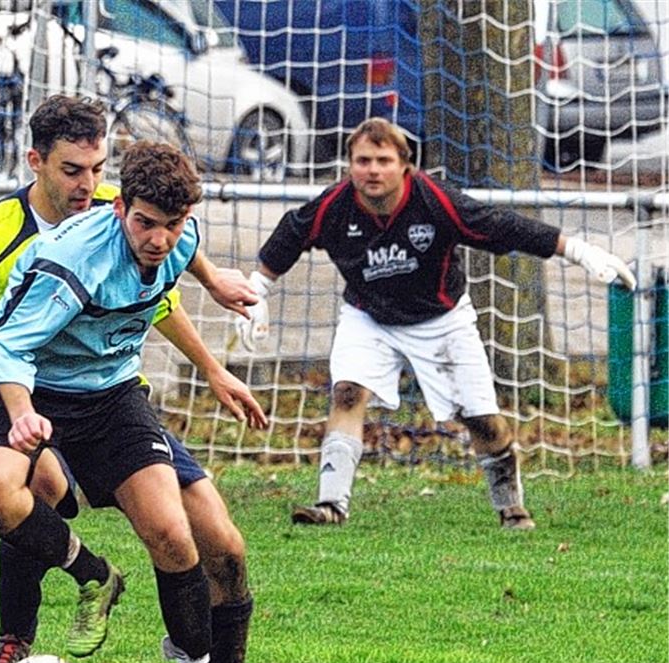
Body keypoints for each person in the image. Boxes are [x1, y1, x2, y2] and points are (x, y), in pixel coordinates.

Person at [0, 96, 291, 663]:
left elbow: (161, 287)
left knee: (213, 538)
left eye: (96, 168)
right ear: (37, 163)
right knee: (20, 486)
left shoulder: (157, 228)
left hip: (111, 396)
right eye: (71, 171)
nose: (86, 184)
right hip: (26, 391)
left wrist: (215, 341)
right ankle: (28, 630)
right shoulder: (27, 241)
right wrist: (17, 416)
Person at [235, 117, 637, 530]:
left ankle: (511, 506)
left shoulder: (433, 201)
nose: (373, 170)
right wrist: (257, 290)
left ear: (404, 165)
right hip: (368, 317)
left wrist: (580, 251)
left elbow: (501, 225)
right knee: (347, 392)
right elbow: (291, 233)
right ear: (350, 165)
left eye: (383, 160)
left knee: (480, 418)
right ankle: (331, 505)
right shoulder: (334, 205)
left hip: (442, 321)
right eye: (363, 160)